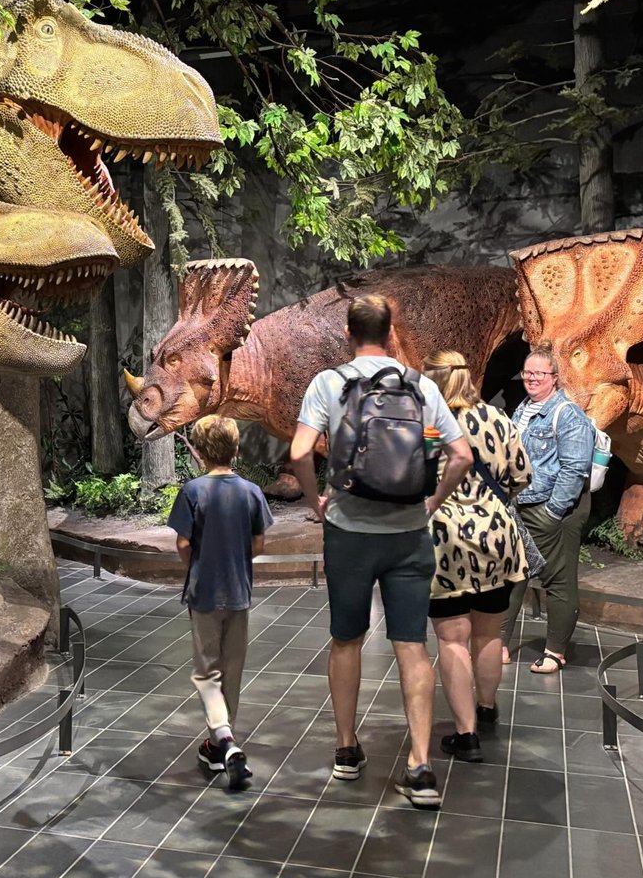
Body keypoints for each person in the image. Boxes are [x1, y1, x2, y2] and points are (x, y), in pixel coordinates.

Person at [289, 294, 472, 806]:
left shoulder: (329, 384)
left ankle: (347, 750)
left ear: (348, 334)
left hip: (348, 532)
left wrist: (315, 501)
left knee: (346, 640)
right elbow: (459, 455)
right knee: (412, 646)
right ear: (392, 334)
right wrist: (431, 499)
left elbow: (300, 452)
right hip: (410, 534)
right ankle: (420, 766)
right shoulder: (422, 387)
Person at [420, 351, 531, 762]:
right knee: (490, 632)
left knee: (452, 640)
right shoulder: (500, 419)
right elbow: (522, 476)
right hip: (498, 539)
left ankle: (465, 735)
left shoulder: (431, 425)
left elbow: (420, 475)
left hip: (445, 539)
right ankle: (487, 708)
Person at [169, 414, 272, 791]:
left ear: (198, 452)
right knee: (232, 669)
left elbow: (182, 543)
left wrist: (197, 563)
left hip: (204, 594)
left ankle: (225, 740)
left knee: (206, 672)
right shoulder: (251, 492)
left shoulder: (193, 491)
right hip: (240, 593)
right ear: (236, 449)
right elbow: (259, 544)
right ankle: (217, 745)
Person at [499, 346, 595, 674]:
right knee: (514, 574)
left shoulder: (567, 414)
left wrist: (553, 511)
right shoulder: (524, 408)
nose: (532, 378)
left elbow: (575, 468)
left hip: (555, 509)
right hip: (522, 506)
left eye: (540, 373)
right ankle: (499, 645)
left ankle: (555, 652)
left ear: (554, 378)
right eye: (528, 373)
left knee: (558, 579)